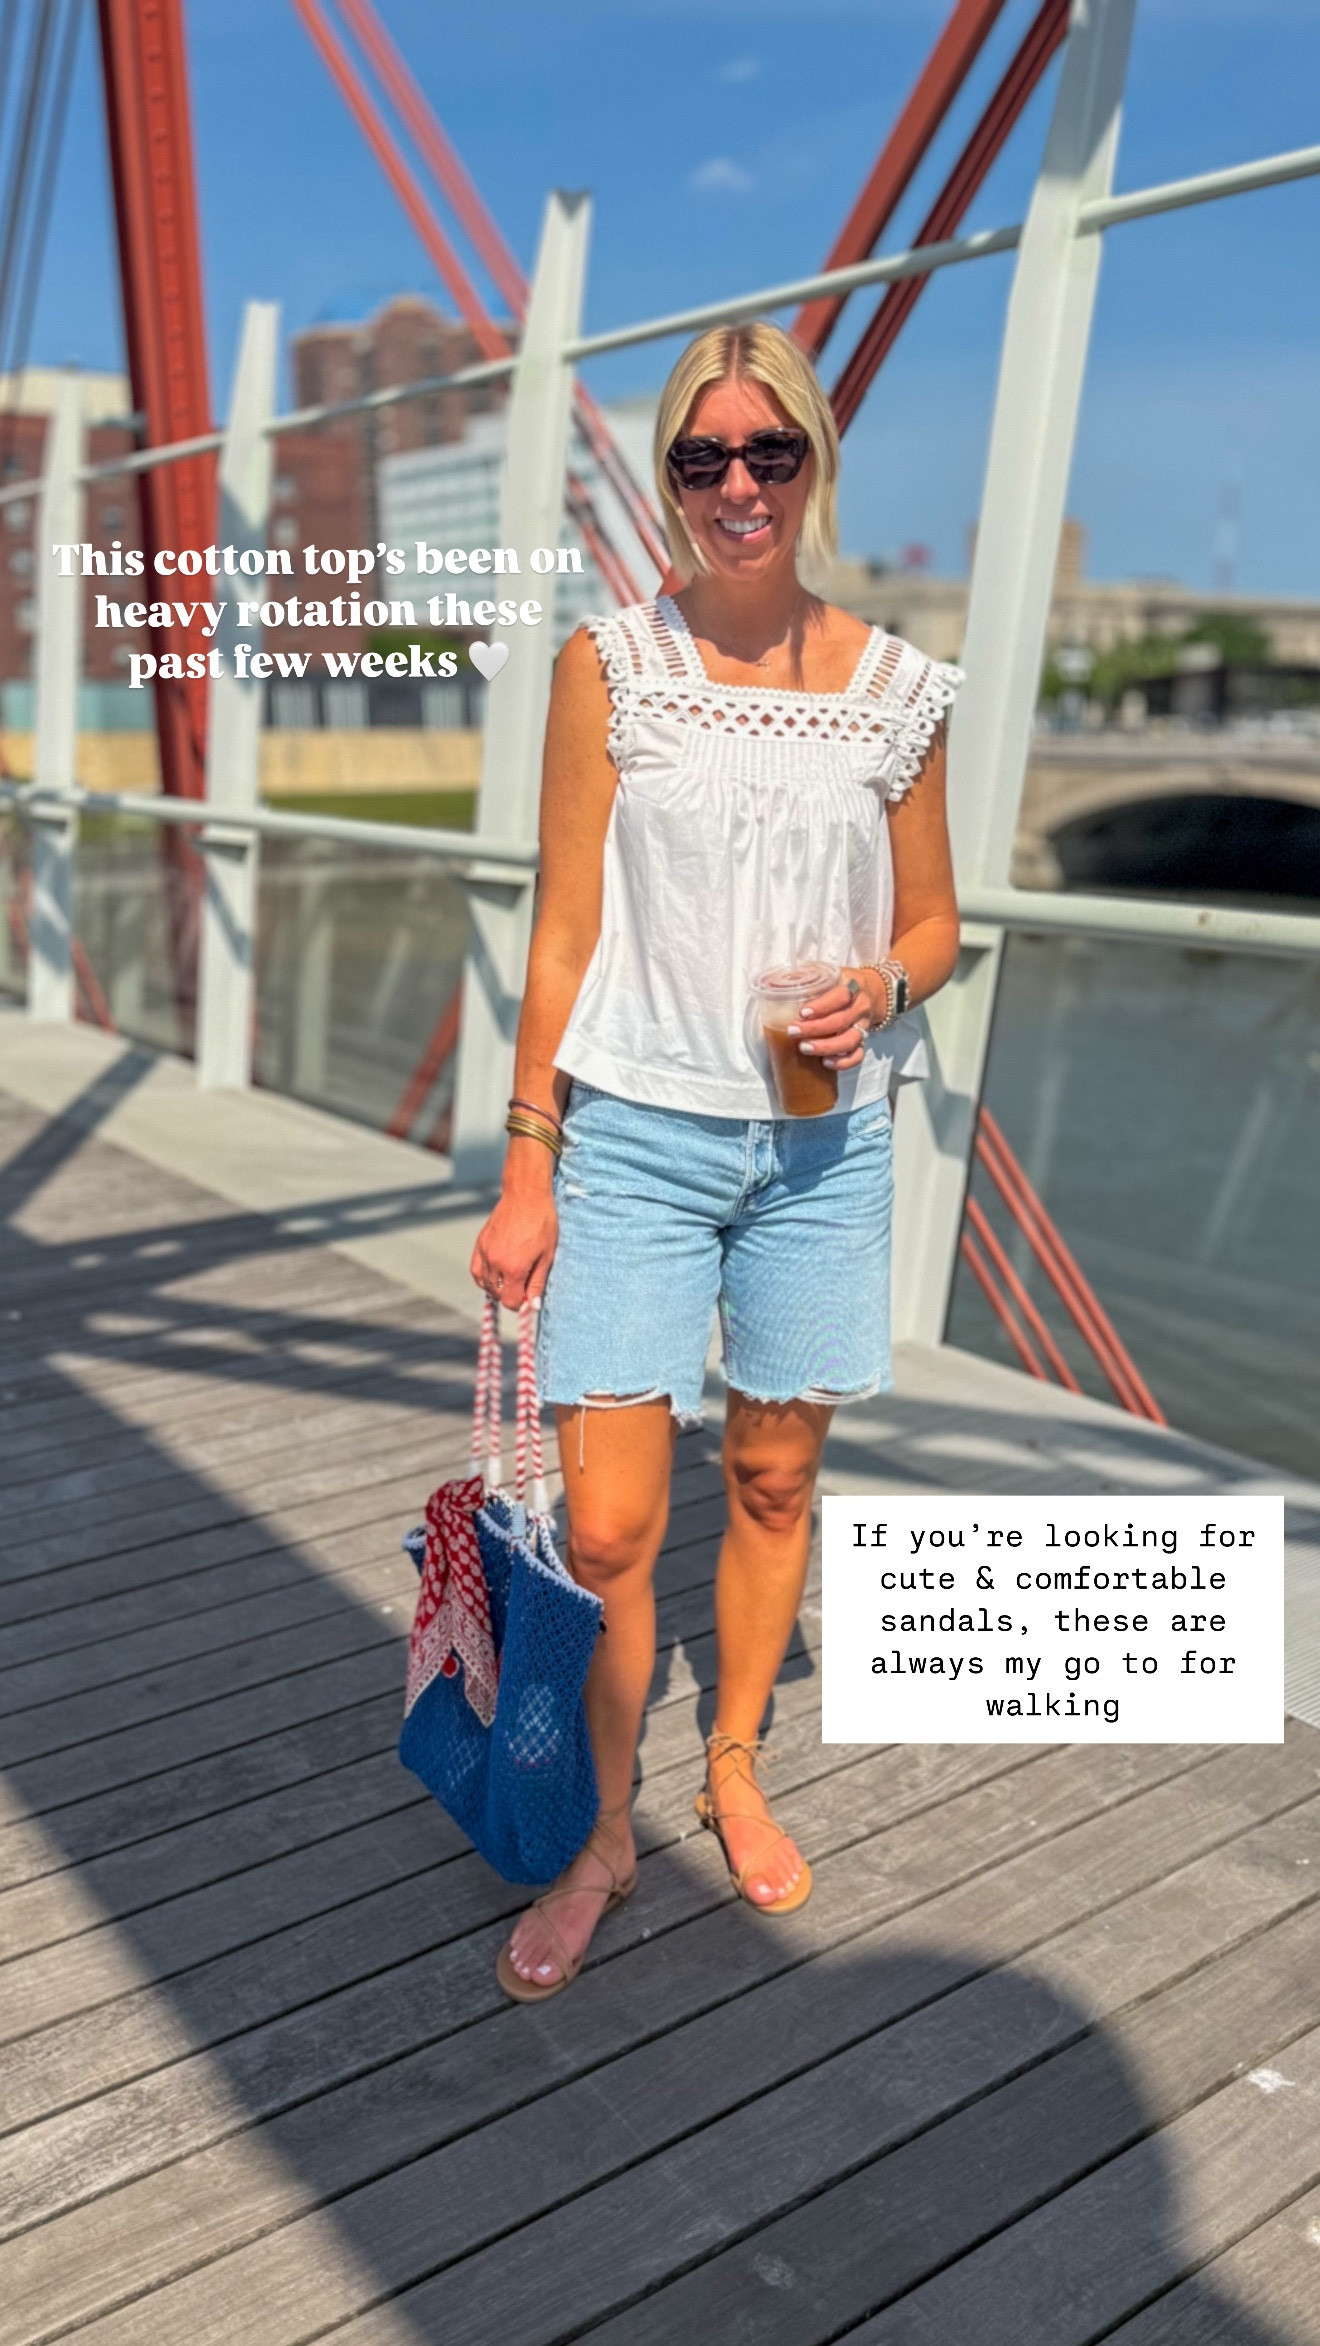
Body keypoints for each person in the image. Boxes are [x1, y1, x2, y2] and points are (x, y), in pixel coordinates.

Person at [471, 320, 963, 2001]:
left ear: (815, 464)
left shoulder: (897, 688)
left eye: (772, 453)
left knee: (768, 1481)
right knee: (609, 1528)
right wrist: (526, 1162)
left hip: (821, 1155)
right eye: (703, 457)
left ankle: (732, 1757)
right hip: (635, 1142)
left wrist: (882, 985)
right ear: (670, 478)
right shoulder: (605, 667)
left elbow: (935, 920)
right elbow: (562, 935)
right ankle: (607, 1831)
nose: (739, 485)